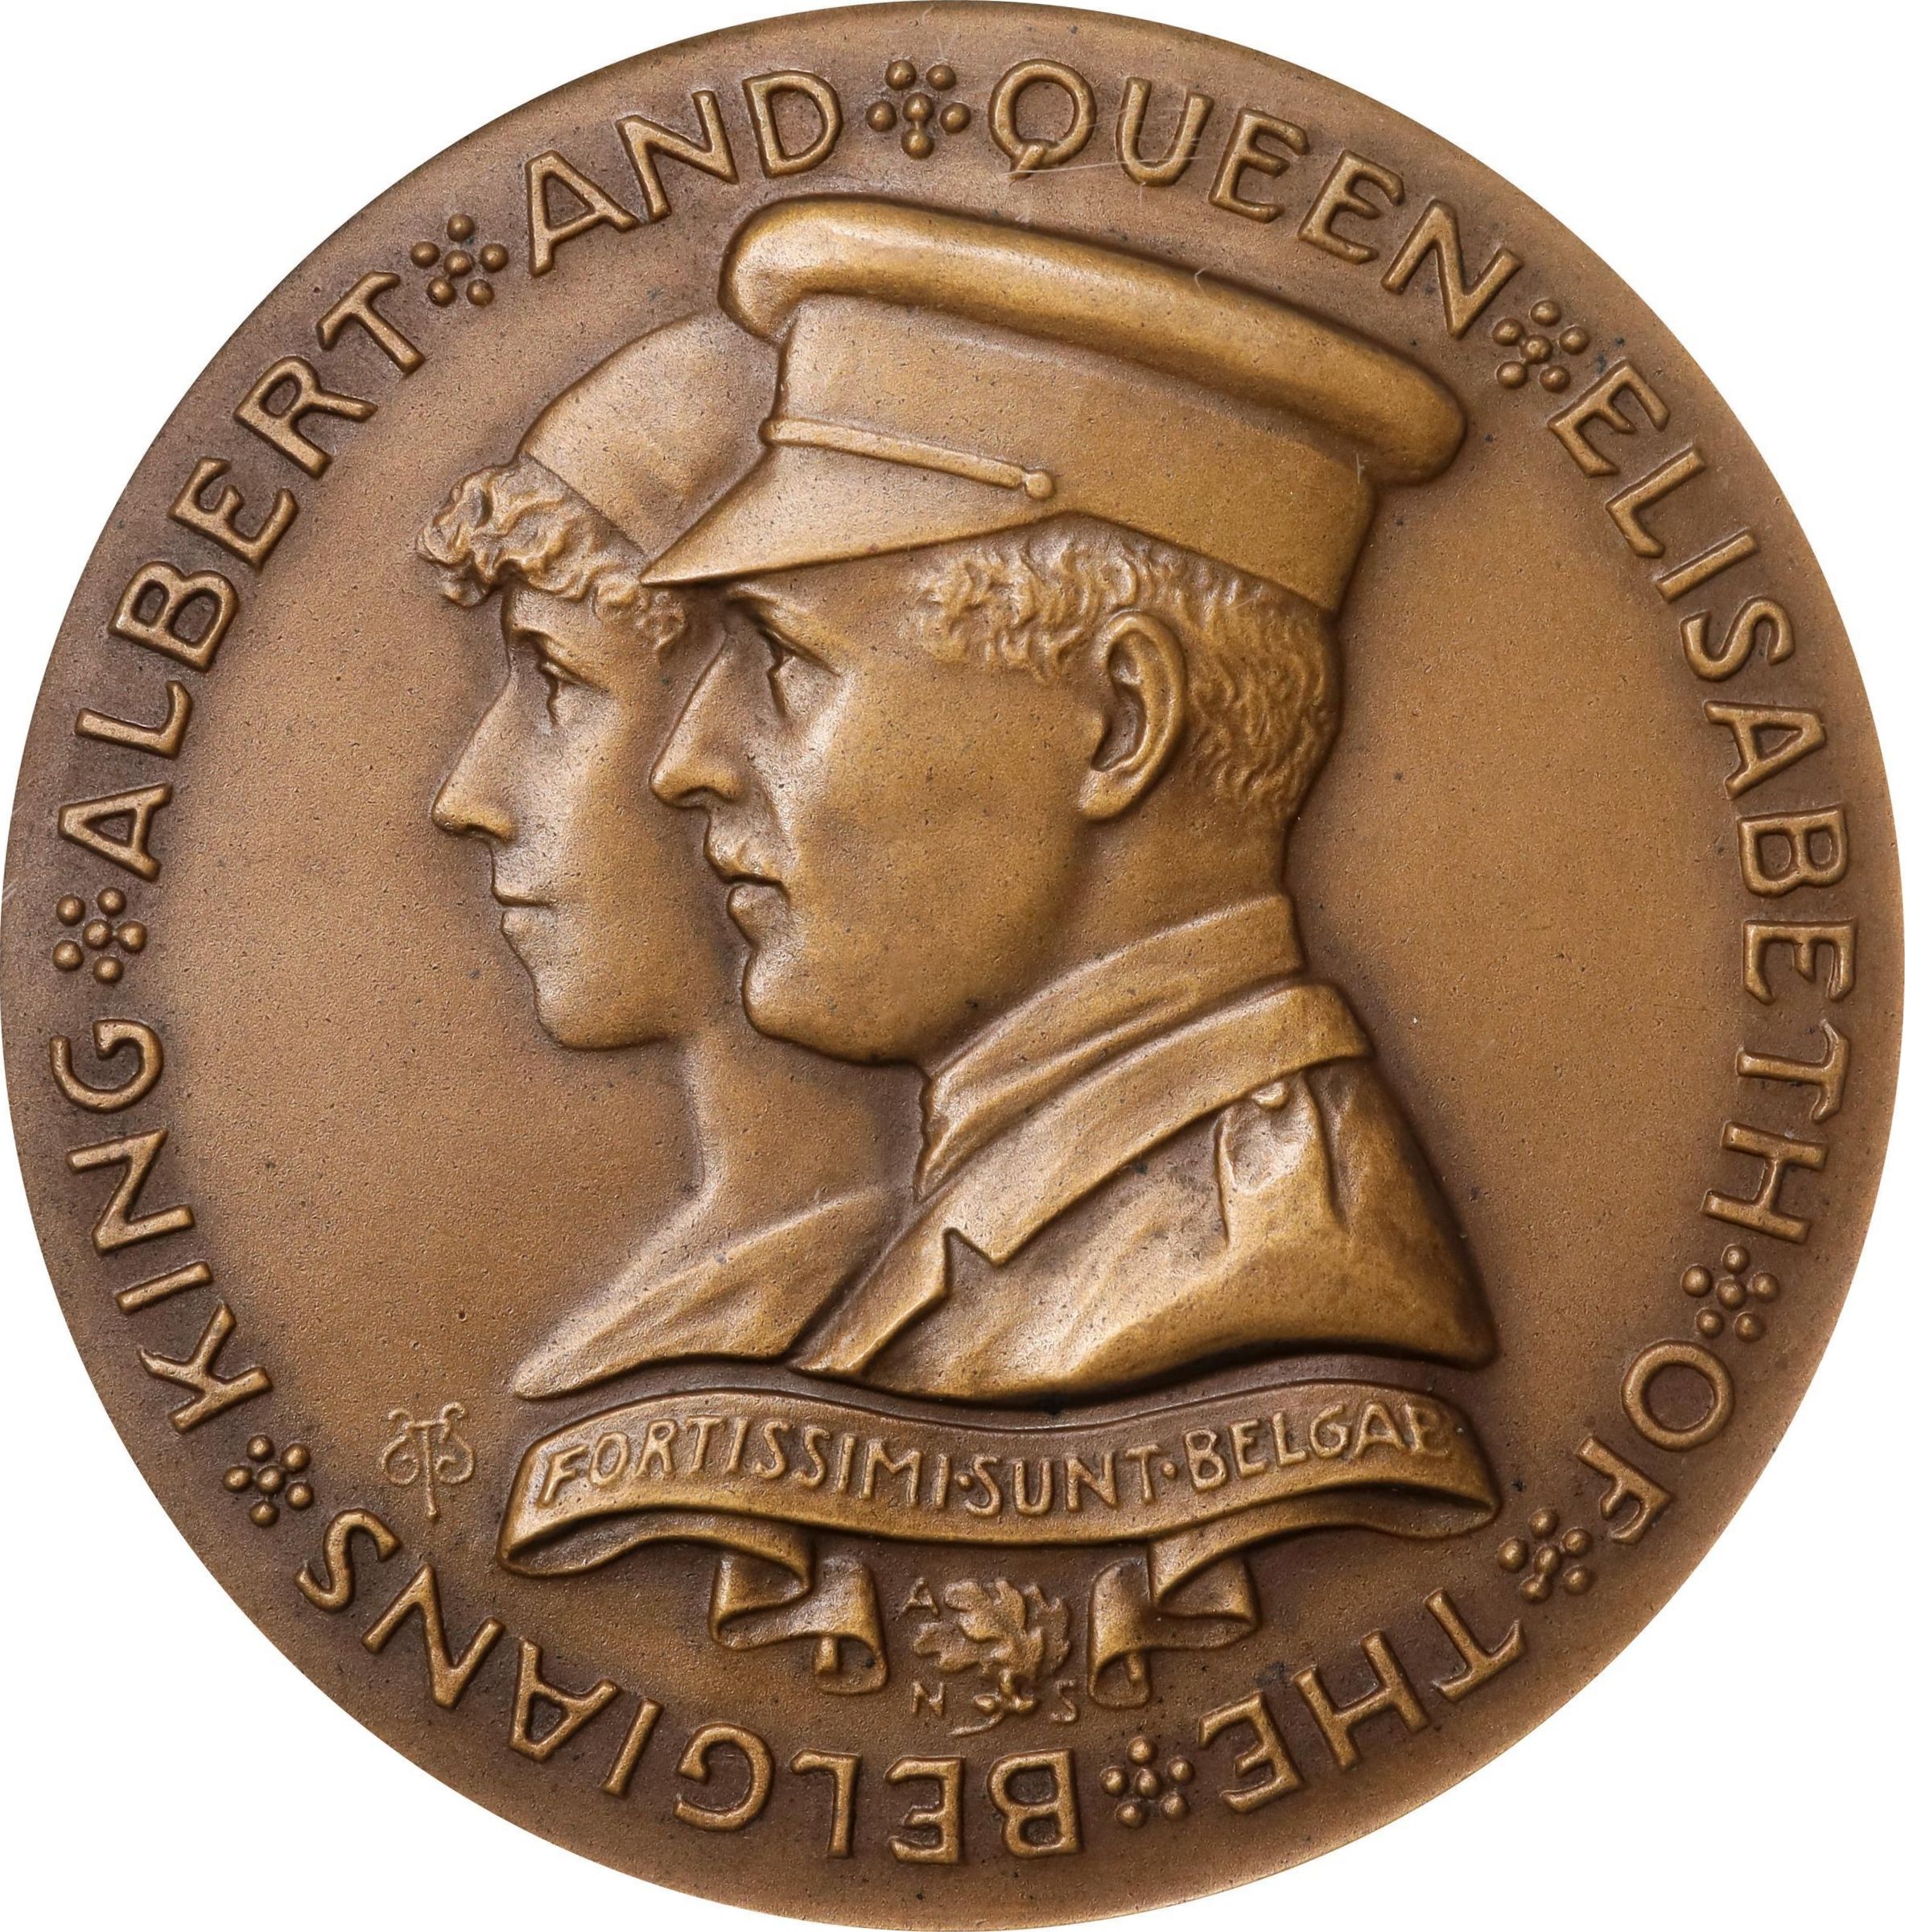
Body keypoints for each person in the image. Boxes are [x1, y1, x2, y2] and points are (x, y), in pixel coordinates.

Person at [644, 196, 1497, 1404]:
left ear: (1121, 720)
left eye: (788, 661)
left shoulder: (1261, 1265)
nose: (691, 759)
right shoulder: (1035, 1197)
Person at [421, 312, 913, 1400]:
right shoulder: (699, 1286)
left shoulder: (865, 1280)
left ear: (752, 707)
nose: (470, 798)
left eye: (558, 683)